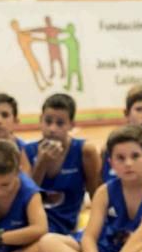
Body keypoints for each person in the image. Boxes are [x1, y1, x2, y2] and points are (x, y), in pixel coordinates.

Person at [23, 93, 100, 235]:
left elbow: (97, 196)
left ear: (71, 125)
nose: (52, 129)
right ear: (40, 121)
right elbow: (25, 199)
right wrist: (41, 164)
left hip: (68, 229)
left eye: (60, 123)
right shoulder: (27, 151)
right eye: (48, 121)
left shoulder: (85, 151)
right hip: (35, 228)